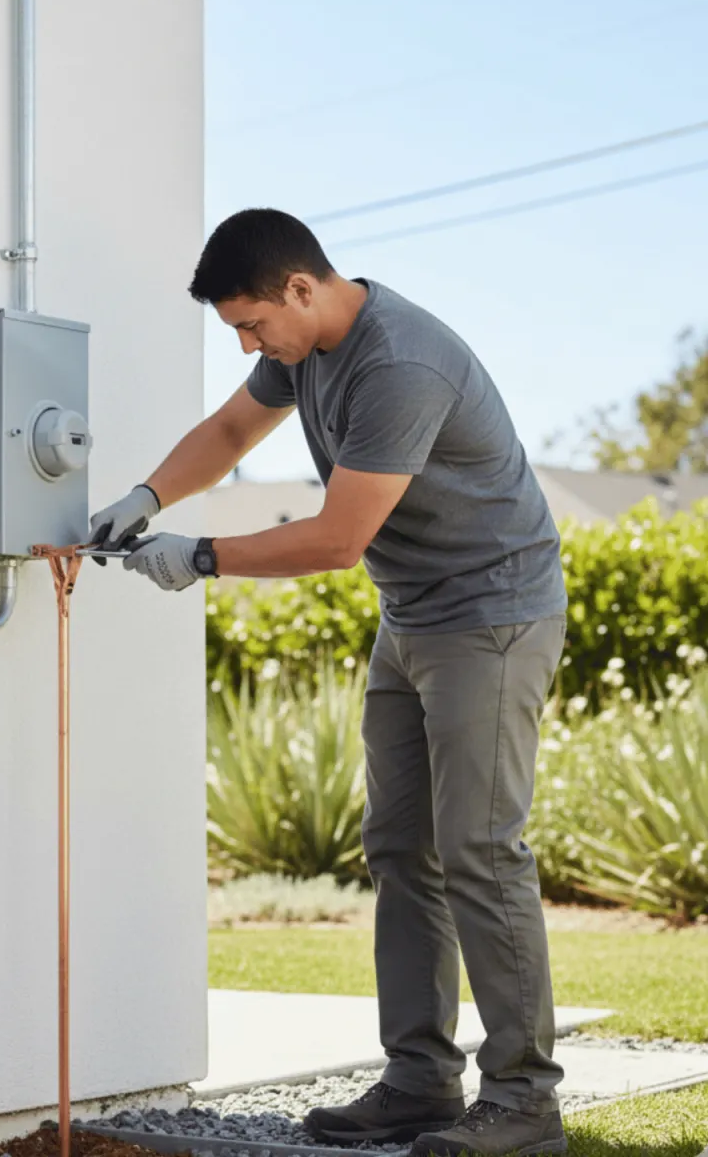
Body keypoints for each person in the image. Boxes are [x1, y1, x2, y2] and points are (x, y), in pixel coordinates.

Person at [87, 208, 570, 1157]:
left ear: (301, 288)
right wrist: (146, 497)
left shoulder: (400, 364)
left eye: (252, 325)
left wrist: (204, 555)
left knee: (479, 848)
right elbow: (233, 427)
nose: (249, 345)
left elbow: (339, 539)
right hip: (414, 617)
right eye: (238, 331)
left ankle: (524, 1103)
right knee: (399, 849)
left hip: (494, 615)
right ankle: (421, 1079)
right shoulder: (303, 350)